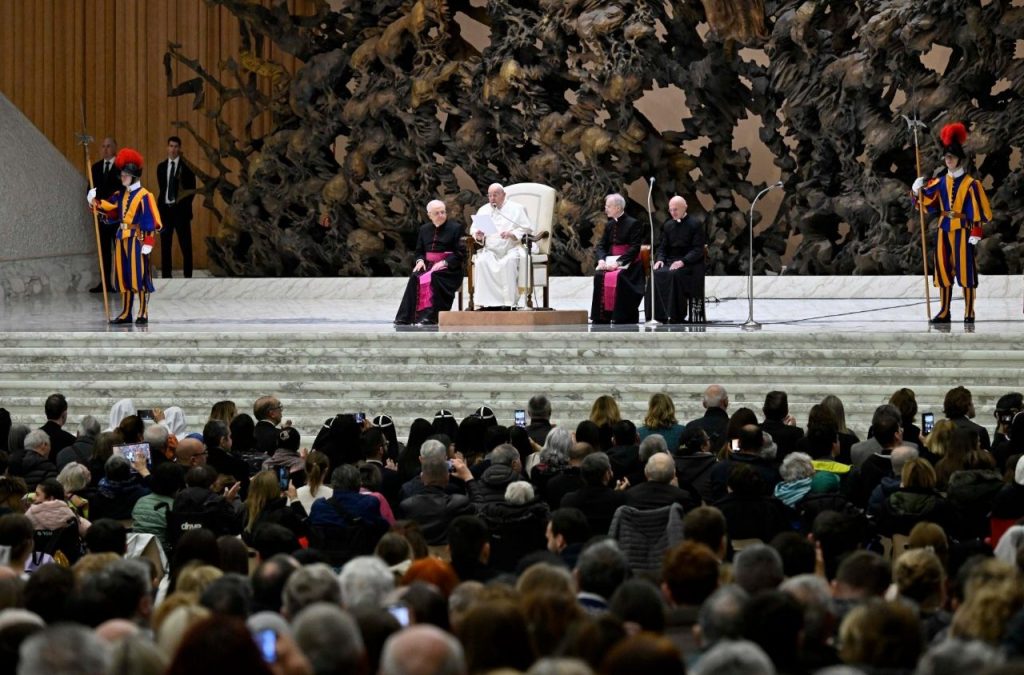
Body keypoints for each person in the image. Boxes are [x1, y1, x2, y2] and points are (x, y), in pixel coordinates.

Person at [912, 121, 992, 324]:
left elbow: (977, 210)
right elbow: (927, 202)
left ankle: (969, 311)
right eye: (946, 157)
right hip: (944, 230)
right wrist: (916, 190)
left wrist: (976, 231)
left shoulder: (971, 184)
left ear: (959, 159)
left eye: (952, 157)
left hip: (963, 230)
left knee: (966, 270)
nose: (948, 160)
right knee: (943, 270)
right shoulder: (939, 182)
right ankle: (944, 311)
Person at [88, 147, 163, 325]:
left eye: (125, 175)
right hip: (121, 238)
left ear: (133, 176)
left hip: (138, 239)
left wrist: (148, 242)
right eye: (122, 175)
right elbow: (110, 208)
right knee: (124, 276)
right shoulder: (120, 194)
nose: (122, 178)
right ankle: (126, 312)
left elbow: (150, 219)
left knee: (140, 275)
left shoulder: (145, 196)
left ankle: (143, 311)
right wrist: (94, 201)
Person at [394, 199, 466, 326]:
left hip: (449, 270)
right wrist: (420, 261)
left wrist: (445, 262)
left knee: (434, 276)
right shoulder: (424, 229)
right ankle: (405, 317)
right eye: (437, 213)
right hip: (428, 266)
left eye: (443, 212)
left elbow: (460, 252)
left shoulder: (456, 228)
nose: (441, 215)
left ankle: (431, 317)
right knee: (415, 276)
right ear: (429, 215)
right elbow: (419, 251)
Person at [470, 183, 534, 309]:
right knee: (482, 262)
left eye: (495, 195)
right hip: (490, 250)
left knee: (508, 262)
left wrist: (512, 234)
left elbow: (527, 228)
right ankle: (486, 303)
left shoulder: (517, 208)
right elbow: (474, 229)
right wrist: (478, 235)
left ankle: (508, 303)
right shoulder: (483, 210)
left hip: (511, 248)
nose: (492, 198)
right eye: (490, 195)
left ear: (504, 195)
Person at [590, 193, 644, 324]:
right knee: (599, 275)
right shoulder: (609, 225)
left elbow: (635, 248)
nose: (605, 209)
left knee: (620, 277)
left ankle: (620, 316)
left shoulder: (633, 223)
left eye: (608, 206)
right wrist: (601, 260)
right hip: (610, 261)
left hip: (629, 262)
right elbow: (601, 245)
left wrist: (618, 263)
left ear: (618, 208)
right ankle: (602, 317)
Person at [651, 195, 705, 323]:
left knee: (674, 274)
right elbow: (663, 247)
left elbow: (698, 249)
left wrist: (683, 261)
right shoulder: (668, 225)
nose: (673, 213)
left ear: (684, 208)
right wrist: (660, 259)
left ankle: (674, 315)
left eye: (675, 209)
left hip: (689, 263)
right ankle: (658, 315)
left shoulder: (695, 224)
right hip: (670, 261)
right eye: (670, 210)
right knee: (656, 273)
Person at [156, 136, 198, 278]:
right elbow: (163, 189)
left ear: (179, 149)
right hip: (165, 212)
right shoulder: (161, 167)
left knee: (186, 246)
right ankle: (166, 276)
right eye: (171, 146)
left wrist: (182, 206)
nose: (173, 149)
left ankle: (188, 277)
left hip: (181, 213)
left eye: (176, 146)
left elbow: (191, 191)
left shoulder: (187, 168)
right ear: (167, 148)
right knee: (165, 246)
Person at [89, 136, 121, 293]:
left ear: (115, 148)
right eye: (103, 146)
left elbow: (125, 191)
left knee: (120, 251)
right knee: (104, 251)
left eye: (109, 146)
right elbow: (90, 190)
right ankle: (105, 283)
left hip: (117, 217)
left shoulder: (121, 168)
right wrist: (92, 202)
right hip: (101, 217)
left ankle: (120, 283)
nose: (106, 149)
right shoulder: (95, 168)